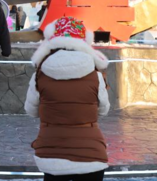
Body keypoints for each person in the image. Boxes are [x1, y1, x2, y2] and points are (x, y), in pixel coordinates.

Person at [25, 16, 110, 181]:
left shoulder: (39, 75)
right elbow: (104, 109)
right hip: (90, 155)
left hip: (51, 155)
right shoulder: (96, 76)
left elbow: (31, 111)